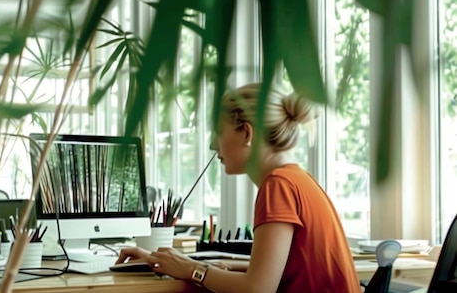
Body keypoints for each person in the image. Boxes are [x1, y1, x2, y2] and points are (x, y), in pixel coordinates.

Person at [115, 83, 361, 292]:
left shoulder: (279, 186)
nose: (213, 145)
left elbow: (258, 289)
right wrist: (175, 262)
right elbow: (283, 269)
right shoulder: (298, 179)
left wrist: (193, 270)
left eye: (219, 132)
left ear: (246, 133)